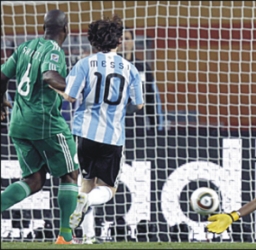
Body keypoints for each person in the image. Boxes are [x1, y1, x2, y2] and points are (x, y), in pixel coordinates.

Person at [56, 15, 144, 244]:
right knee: (107, 189)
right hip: (113, 136)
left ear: (94, 42)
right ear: (117, 42)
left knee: (86, 183)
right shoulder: (131, 69)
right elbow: (140, 103)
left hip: (84, 134)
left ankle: (86, 237)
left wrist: (50, 85)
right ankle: (88, 208)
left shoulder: (84, 64)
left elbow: (69, 96)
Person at [0, 9, 79, 244]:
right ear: (66, 29)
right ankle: (65, 236)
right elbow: (49, 75)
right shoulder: (54, 50)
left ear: (44, 28)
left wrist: (1, 102)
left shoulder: (24, 47)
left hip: (19, 123)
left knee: (33, 180)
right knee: (70, 175)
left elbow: (2, 77)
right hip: (45, 122)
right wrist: (73, 90)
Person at [120, 27, 163, 131]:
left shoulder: (142, 67)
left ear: (133, 42)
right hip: (114, 129)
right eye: (120, 39)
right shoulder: (108, 67)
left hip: (139, 128)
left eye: (127, 38)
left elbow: (152, 98)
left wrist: (157, 126)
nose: (124, 43)